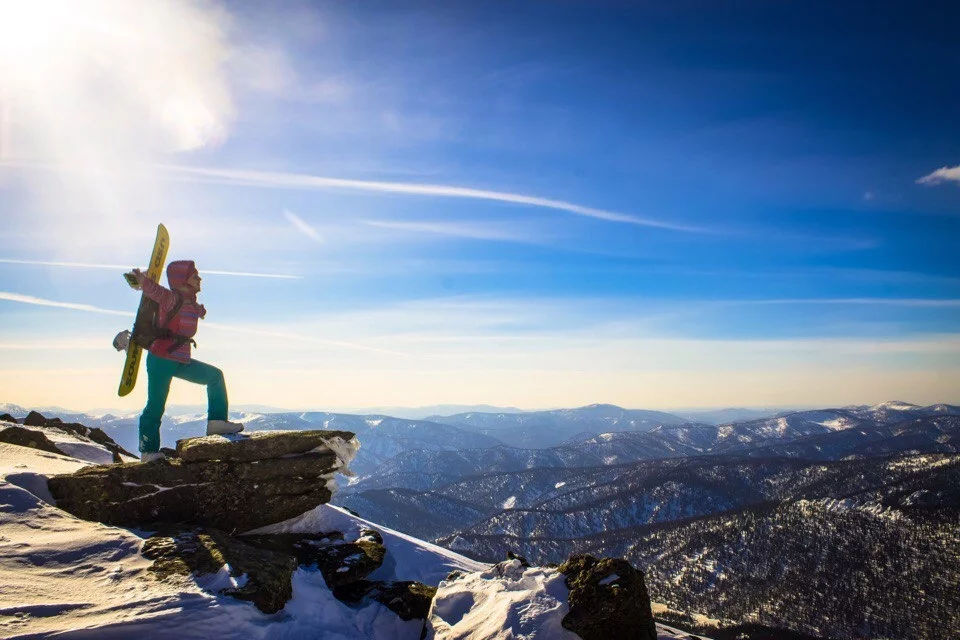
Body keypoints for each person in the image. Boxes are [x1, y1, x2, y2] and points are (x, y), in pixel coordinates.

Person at [128, 260, 243, 463]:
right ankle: (148, 451)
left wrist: (199, 311)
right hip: (161, 359)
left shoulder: (189, 302)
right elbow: (155, 291)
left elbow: (190, 310)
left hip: (180, 359)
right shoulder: (171, 299)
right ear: (182, 280)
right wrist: (142, 280)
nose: (199, 279)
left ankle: (216, 422)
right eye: (195, 275)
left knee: (215, 377)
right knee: (155, 406)